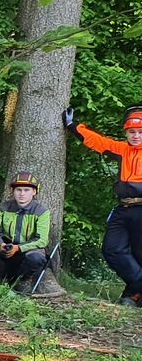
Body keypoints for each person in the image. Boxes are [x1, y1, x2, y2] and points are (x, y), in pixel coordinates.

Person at [66, 104, 142, 305]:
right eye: (132, 132)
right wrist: (73, 126)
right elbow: (97, 141)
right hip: (122, 208)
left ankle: (133, 295)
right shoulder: (122, 150)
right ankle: (137, 289)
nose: (136, 136)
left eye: (140, 132)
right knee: (112, 250)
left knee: (139, 252)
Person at [0, 171, 50, 288]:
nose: (22, 194)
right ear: (12, 191)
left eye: (26, 190)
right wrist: (1, 245)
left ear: (34, 192)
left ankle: (21, 280)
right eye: (18, 190)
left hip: (26, 250)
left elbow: (42, 240)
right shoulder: (1, 207)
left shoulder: (42, 211)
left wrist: (19, 248)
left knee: (36, 257)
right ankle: (2, 277)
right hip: (5, 248)